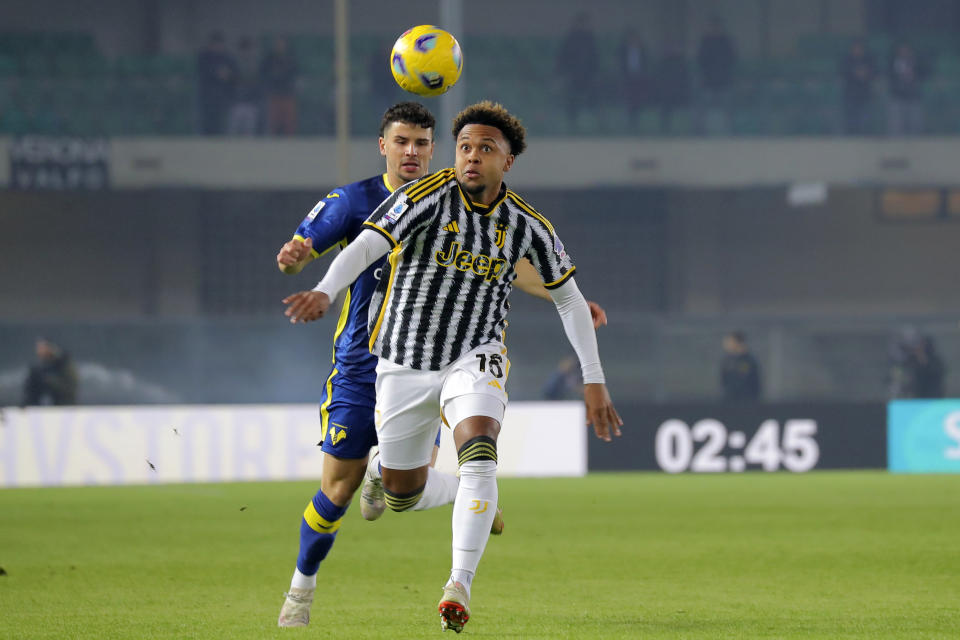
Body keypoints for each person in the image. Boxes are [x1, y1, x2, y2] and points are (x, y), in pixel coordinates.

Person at [282, 101, 622, 633]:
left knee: (480, 449)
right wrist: (325, 290)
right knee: (401, 492)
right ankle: (399, 478)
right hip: (400, 360)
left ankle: (457, 585)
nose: (472, 157)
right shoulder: (423, 197)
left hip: (475, 355)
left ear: (506, 162)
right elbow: (369, 244)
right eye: (465, 147)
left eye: (486, 149)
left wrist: (594, 380)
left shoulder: (528, 225)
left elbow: (569, 299)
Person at [555, 12, 599, 130]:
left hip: (588, 75)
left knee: (593, 97)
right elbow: (563, 56)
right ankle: (573, 122)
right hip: (573, 75)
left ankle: (595, 122)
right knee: (572, 100)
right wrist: (563, 73)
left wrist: (594, 73)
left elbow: (595, 57)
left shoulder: (590, 39)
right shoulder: (571, 39)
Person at [696, 15, 737, 135]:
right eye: (712, 26)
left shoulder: (727, 42)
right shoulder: (705, 42)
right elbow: (700, 61)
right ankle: (700, 131)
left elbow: (732, 59)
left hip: (724, 81)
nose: (714, 29)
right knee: (703, 107)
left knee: (727, 108)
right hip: (708, 81)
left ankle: (728, 130)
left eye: (716, 26)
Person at [196, 31, 238, 135]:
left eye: (219, 44)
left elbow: (235, 73)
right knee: (208, 119)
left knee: (222, 119)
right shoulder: (204, 57)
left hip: (223, 93)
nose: (217, 47)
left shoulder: (228, 57)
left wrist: (228, 75)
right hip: (208, 93)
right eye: (215, 44)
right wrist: (216, 73)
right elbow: (202, 71)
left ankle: (221, 136)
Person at [260, 36, 299, 135]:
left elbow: (295, 74)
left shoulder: (291, 58)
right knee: (273, 121)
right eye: (278, 44)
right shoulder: (269, 59)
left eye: (282, 43)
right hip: (274, 94)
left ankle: (289, 142)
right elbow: (264, 74)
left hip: (288, 94)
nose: (280, 46)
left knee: (289, 122)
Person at [886, 42, 928, 136]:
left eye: (906, 49)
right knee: (896, 126)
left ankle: (916, 146)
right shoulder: (893, 62)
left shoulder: (916, 62)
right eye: (902, 49)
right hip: (897, 97)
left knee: (915, 125)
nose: (904, 52)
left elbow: (924, 75)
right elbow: (889, 77)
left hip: (913, 97)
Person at [22, 338, 77, 406]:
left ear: (50, 348)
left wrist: (48, 380)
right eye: (38, 348)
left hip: (63, 405)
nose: (39, 351)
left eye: (42, 348)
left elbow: (69, 388)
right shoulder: (39, 367)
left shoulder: (63, 363)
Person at [226, 36, 262, 136]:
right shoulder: (233, 63)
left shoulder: (255, 64)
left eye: (248, 48)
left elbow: (257, 82)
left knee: (249, 131)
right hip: (236, 101)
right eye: (244, 48)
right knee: (233, 131)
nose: (246, 51)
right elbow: (230, 80)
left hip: (251, 102)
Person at [840, 39, 877, 135]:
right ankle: (851, 137)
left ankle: (865, 137)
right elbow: (843, 74)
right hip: (850, 95)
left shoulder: (869, 60)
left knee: (865, 120)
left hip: (865, 94)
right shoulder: (847, 60)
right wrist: (855, 73)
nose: (857, 50)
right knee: (851, 120)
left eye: (859, 48)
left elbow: (874, 73)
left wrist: (865, 74)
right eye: (855, 48)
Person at [618, 27, 652, 130]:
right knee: (628, 100)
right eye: (631, 38)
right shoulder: (623, 51)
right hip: (627, 77)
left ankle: (636, 121)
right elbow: (620, 64)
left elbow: (645, 63)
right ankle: (629, 121)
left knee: (637, 100)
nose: (633, 40)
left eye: (635, 38)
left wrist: (643, 74)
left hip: (639, 78)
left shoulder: (642, 51)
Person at [719, 331, 761, 401]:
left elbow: (748, 382)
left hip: (746, 400)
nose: (727, 345)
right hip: (729, 400)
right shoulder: (727, 361)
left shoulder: (748, 361)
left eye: (729, 342)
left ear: (737, 342)